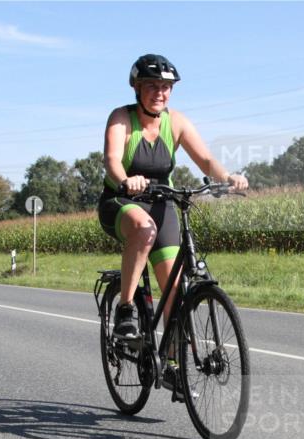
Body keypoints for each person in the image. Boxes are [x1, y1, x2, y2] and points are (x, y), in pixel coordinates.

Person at [98, 54, 248, 386]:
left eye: (166, 87)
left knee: (174, 289)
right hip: (121, 201)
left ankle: (171, 363)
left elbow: (205, 158)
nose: (160, 92)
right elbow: (111, 160)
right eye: (152, 86)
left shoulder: (176, 122)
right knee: (143, 228)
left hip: (161, 203)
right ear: (137, 88)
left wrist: (227, 177)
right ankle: (126, 309)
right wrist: (126, 179)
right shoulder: (122, 118)